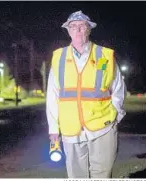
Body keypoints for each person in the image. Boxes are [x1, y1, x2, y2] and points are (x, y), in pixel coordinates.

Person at [46, 10, 126, 178]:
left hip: (103, 127)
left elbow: (118, 89)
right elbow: (52, 96)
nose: (78, 30)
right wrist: (54, 129)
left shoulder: (105, 55)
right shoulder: (59, 58)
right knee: (76, 176)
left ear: (89, 29)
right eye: (73, 26)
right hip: (70, 129)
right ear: (68, 30)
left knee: (102, 176)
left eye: (82, 26)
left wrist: (114, 117)